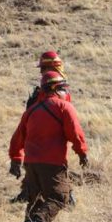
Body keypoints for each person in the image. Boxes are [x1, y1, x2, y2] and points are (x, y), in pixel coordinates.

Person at [8, 71, 88, 222]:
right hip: (52, 162)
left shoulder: (31, 111)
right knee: (60, 196)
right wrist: (82, 153)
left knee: (34, 199)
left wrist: (15, 159)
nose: (65, 91)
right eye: (62, 88)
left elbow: (17, 137)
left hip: (31, 163)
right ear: (55, 88)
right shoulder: (63, 107)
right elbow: (75, 133)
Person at [12, 51, 72, 203]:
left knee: (42, 163)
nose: (41, 72)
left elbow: (48, 105)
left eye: (43, 68)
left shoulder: (55, 86)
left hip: (46, 129)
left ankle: (66, 195)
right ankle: (28, 192)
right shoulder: (60, 83)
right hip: (48, 129)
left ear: (51, 67)